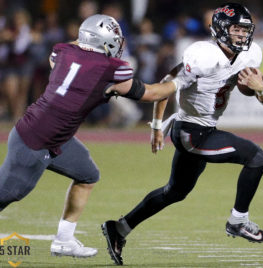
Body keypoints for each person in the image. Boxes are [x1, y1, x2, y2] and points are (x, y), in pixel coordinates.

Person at [102, 3, 263, 265]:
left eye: (245, 30)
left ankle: (120, 228)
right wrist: (157, 126)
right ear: (221, 29)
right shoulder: (203, 55)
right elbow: (166, 85)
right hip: (191, 133)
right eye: (237, 29)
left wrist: (259, 88)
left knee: (175, 192)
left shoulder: (250, 54)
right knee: (256, 157)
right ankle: (238, 221)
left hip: (204, 130)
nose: (242, 35)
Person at [0, 14, 177, 258]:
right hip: (35, 141)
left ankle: (63, 240)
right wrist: (182, 81)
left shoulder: (61, 52)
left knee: (87, 174)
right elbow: (153, 93)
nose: (118, 44)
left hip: (53, 138)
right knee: (7, 194)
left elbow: (76, 54)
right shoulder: (112, 69)